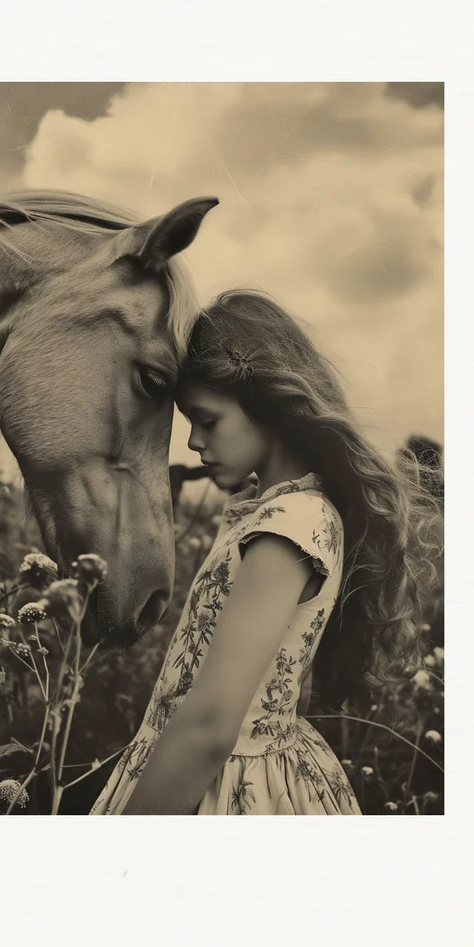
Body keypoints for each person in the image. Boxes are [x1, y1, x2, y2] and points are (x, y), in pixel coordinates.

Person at [90, 289, 443, 816]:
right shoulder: (283, 514)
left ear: (270, 408)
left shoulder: (291, 523)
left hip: (225, 785)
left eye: (208, 420)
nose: (192, 443)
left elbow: (210, 727)